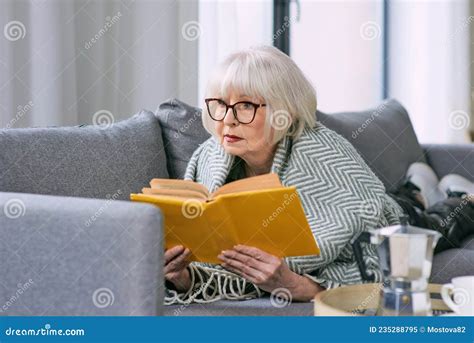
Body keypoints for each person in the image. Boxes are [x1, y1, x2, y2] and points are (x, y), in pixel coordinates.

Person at [164, 45, 403, 305]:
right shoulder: (208, 157)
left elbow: (374, 261)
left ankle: (428, 194)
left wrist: (298, 285)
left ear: (284, 112)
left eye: (245, 105)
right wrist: (184, 278)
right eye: (221, 103)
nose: (228, 119)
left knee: (433, 217)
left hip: (392, 214)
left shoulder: (325, 156)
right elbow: (215, 266)